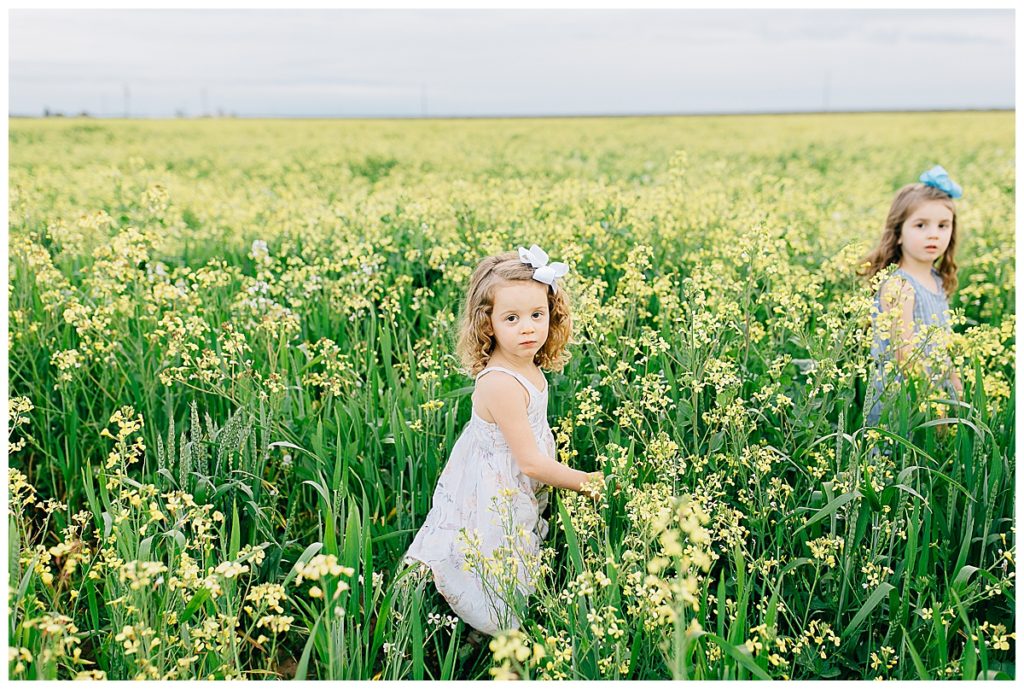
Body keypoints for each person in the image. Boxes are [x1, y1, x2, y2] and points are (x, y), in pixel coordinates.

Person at [402, 244, 602, 636]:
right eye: (512, 318)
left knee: (515, 550)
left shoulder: (524, 363)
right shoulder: (500, 383)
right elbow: (528, 461)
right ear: (487, 324)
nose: (528, 327)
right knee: (497, 553)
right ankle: (498, 633)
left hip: (511, 478)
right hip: (496, 487)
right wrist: (587, 482)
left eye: (537, 315)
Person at [860, 165, 965, 427]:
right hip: (904, 403)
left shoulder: (937, 280)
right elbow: (904, 357)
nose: (933, 234)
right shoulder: (899, 287)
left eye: (943, 225)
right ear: (898, 234)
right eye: (920, 225)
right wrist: (932, 403)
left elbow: (942, 343)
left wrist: (956, 387)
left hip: (934, 396)